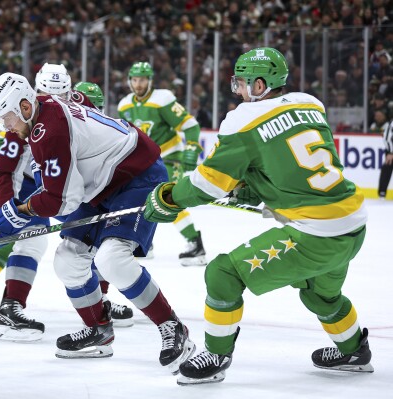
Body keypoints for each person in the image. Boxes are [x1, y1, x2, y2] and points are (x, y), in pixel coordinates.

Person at [144, 47, 373, 385]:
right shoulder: (310, 104)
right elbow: (293, 165)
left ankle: (217, 355)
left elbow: (208, 183)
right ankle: (354, 350)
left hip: (316, 234)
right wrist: (258, 187)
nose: (236, 90)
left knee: (223, 273)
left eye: (242, 83)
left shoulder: (243, 119)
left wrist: (169, 197)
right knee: (320, 293)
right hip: (353, 222)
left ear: (261, 84)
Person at [0, 72, 195, 372]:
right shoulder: (40, 117)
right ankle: (98, 330)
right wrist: (21, 209)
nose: (6, 126)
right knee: (68, 259)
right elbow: (62, 192)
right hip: (101, 184)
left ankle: (173, 327)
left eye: (7, 118)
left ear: (25, 107)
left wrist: (20, 210)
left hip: (135, 175)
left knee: (112, 259)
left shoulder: (50, 130)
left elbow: (62, 201)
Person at [0, 68, 133, 339]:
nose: (53, 100)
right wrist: (9, 208)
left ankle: (98, 301)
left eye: (61, 94)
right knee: (22, 242)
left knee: (91, 238)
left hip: (67, 188)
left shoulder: (75, 106)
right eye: (46, 94)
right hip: (33, 190)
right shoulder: (22, 118)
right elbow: (5, 169)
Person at [118, 61, 206, 266]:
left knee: (169, 200)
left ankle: (196, 244)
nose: (138, 84)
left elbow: (190, 125)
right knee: (141, 201)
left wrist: (192, 147)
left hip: (169, 157)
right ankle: (145, 244)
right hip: (145, 162)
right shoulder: (124, 105)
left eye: (142, 80)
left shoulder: (163, 99)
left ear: (150, 81)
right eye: (135, 79)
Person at [378, 116, 393, 199]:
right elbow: (387, 137)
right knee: (387, 168)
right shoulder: (392, 124)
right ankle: (382, 193)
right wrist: (390, 151)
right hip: (392, 151)